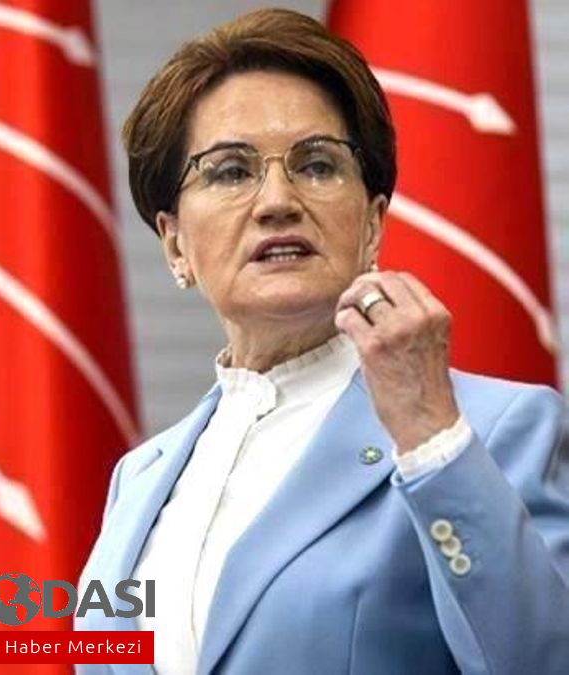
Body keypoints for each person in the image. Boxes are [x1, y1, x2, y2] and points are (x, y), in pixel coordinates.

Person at [76, 8, 569, 675]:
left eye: (316, 165)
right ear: (174, 244)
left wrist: (429, 435)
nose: (277, 200)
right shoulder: (139, 478)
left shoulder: (492, 430)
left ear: (372, 224)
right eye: (230, 172)